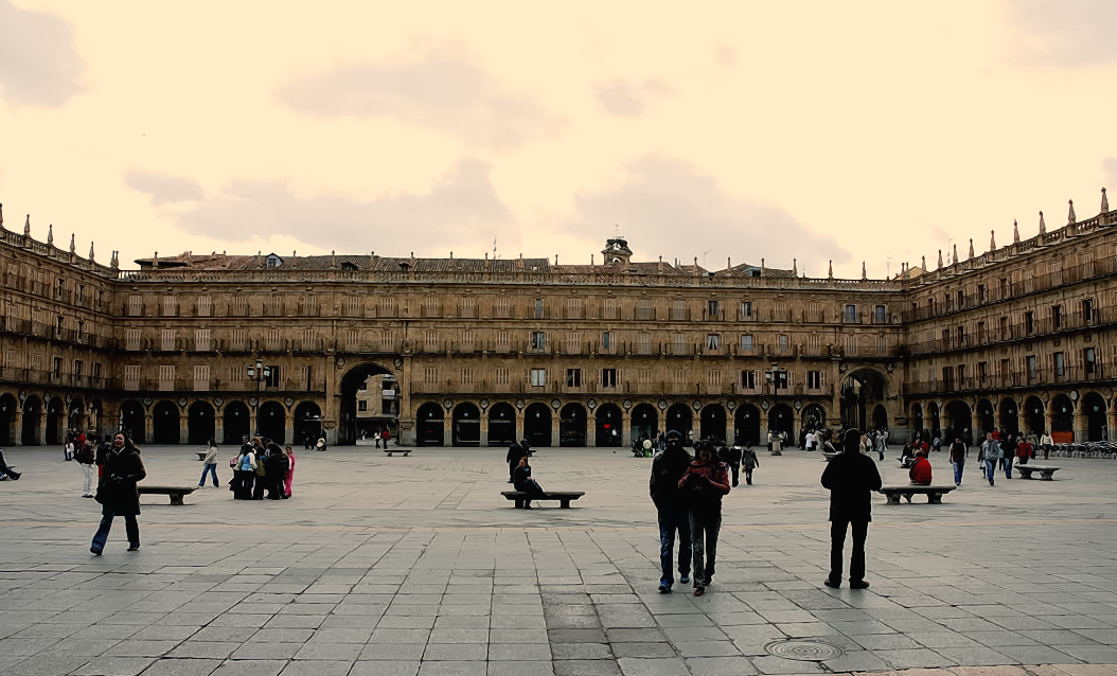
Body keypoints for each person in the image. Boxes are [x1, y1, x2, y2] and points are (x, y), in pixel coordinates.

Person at [820, 429, 882, 590]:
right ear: (858, 443)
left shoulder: (837, 461)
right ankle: (856, 579)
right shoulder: (866, 462)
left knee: (837, 544)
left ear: (844, 443)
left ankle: (835, 578)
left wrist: (839, 486)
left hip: (839, 507)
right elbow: (877, 484)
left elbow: (825, 481)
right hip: (860, 508)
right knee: (859, 545)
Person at [677, 440, 731, 596]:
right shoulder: (693, 466)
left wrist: (710, 483)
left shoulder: (719, 468)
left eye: (707, 454)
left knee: (711, 547)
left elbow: (726, 488)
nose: (705, 457)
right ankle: (699, 582)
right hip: (695, 511)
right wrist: (688, 479)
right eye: (702, 454)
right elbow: (680, 484)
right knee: (698, 547)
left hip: (713, 512)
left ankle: (709, 571)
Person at [649, 429, 692, 593]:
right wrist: (660, 505)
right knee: (666, 545)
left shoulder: (689, 460)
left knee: (686, 543)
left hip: (685, 509)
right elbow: (653, 486)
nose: (673, 444)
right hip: (666, 510)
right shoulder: (659, 461)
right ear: (665, 442)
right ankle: (666, 579)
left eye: (676, 441)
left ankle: (684, 569)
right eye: (670, 441)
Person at [90, 432, 146, 555]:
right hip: (112, 492)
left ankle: (134, 542)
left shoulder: (132, 454)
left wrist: (126, 478)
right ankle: (97, 545)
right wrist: (101, 487)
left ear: (125, 440)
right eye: (116, 438)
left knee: (130, 518)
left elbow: (141, 473)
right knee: (106, 518)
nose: (117, 440)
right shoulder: (109, 454)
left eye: (120, 438)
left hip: (127, 492)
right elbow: (104, 473)